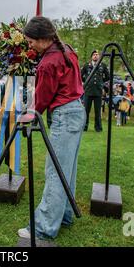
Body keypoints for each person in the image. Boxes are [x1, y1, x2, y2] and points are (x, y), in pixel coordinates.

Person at [17, 16, 85, 240]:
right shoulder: (66, 49)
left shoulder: (48, 63)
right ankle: (64, 214)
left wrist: (28, 114)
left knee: (55, 172)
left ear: (42, 38)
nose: (30, 46)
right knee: (67, 169)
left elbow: (42, 99)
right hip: (76, 110)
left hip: (64, 114)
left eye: (31, 41)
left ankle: (44, 227)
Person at [81, 50, 109, 132]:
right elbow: (80, 75)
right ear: (91, 56)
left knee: (98, 111)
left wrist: (101, 82)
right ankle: (84, 127)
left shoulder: (102, 65)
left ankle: (98, 128)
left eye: (97, 54)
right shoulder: (87, 65)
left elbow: (108, 76)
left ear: (99, 56)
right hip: (88, 90)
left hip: (98, 91)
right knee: (86, 111)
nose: (96, 56)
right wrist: (86, 81)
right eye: (94, 54)